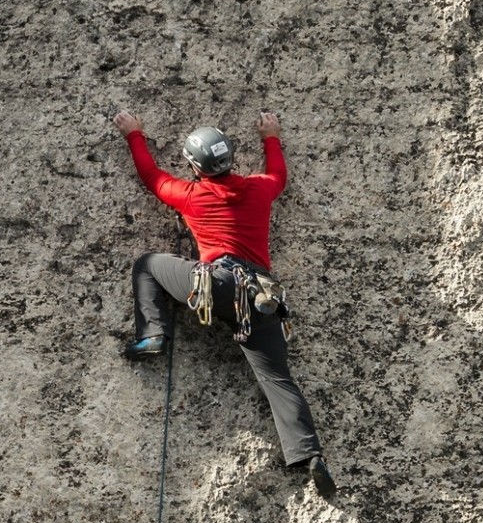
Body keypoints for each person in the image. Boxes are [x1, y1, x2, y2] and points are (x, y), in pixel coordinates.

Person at [114, 109, 335, 498]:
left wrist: (134, 134)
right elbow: (279, 176)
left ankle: (153, 335)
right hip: (260, 298)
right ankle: (309, 454)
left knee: (147, 265)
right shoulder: (259, 188)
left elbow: (152, 178)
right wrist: (271, 136)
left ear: (195, 166)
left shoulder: (191, 195)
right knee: (277, 379)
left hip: (215, 285)